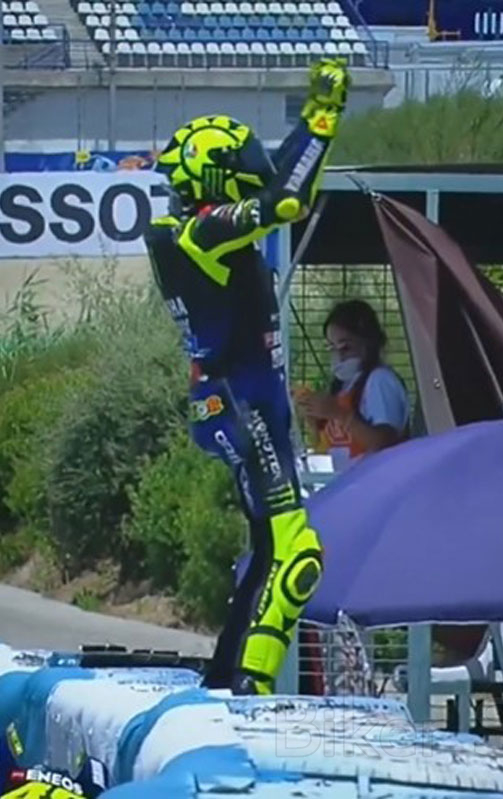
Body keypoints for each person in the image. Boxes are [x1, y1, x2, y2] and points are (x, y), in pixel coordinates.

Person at [146, 59, 350, 696]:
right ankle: (253, 686)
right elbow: (286, 199)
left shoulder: (195, 230)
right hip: (240, 403)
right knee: (297, 554)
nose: (252, 174)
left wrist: (312, 119)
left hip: (244, 399)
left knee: (269, 548)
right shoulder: (199, 234)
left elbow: (279, 184)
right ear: (214, 178)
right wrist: (323, 119)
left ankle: (224, 676)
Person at [296, 298, 411, 472]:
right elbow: (331, 448)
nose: (338, 357)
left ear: (368, 343)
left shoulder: (380, 380)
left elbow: (386, 443)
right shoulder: (344, 386)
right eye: (332, 348)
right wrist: (313, 419)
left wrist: (340, 414)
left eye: (345, 348)